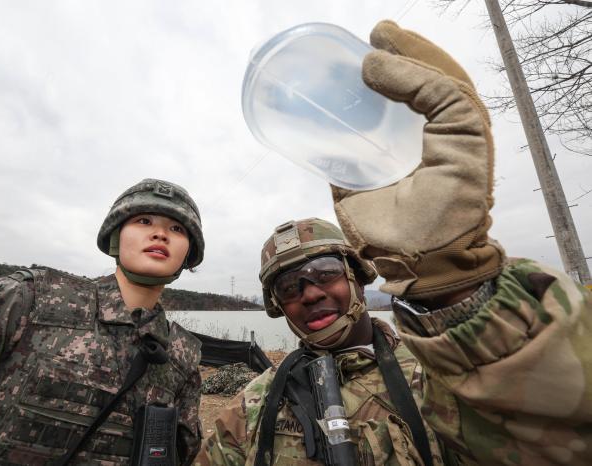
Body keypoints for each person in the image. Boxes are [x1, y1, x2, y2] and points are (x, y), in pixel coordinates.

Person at [196, 20, 592, 466]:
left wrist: (450, 277)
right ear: (279, 306)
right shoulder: (253, 409)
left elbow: (563, 432)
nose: (310, 292)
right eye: (289, 287)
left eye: (325, 274)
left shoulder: (447, 375)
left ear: (359, 278)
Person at [0, 178, 205, 465]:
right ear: (115, 235)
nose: (160, 233)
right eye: (144, 220)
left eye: (177, 229)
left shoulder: (182, 356)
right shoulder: (30, 297)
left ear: (188, 253)